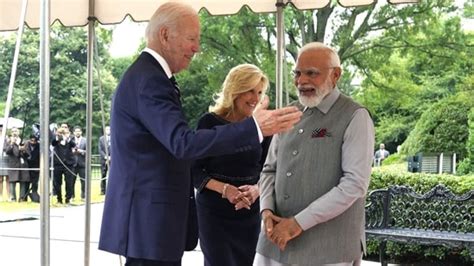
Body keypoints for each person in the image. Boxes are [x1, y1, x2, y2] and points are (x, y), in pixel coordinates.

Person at [98, 2, 302, 266]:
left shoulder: (151, 76)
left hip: (151, 221)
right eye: (191, 39)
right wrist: (254, 127)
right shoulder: (150, 80)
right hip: (148, 221)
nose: (196, 47)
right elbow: (182, 143)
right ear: (165, 35)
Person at [254, 42, 375, 266]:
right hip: (274, 244)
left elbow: (355, 184)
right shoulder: (289, 113)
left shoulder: (355, 116)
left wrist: (298, 223)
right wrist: (267, 211)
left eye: (311, 73)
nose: (301, 81)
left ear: (336, 75)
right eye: (297, 73)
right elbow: (270, 169)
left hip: (328, 249)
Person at [192, 64, 272, 266]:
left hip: (249, 212)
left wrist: (257, 190)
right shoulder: (209, 122)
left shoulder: (263, 127)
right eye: (250, 90)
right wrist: (225, 190)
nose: (256, 98)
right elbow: (194, 170)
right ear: (235, 89)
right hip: (214, 214)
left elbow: (270, 169)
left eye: (260, 92)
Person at [4, 127, 30, 202]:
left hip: (22, 164)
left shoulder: (24, 141)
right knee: (12, 181)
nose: (14, 133)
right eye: (13, 131)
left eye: (16, 131)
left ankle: (22, 198)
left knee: (23, 181)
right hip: (13, 164)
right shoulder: (8, 141)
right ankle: (13, 198)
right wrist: (12, 143)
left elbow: (28, 154)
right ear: (11, 133)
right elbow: (7, 151)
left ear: (19, 132)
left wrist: (23, 150)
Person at [51, 126, 76, 204]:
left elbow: (73, 145)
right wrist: (58, 137)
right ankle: (59, 199)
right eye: (61, 133)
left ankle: (68, 199)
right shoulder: (56, 140)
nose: (62, 135)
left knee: (69, 182)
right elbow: (53, 143)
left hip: (68, 164)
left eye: (64, 133)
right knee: (57, 183)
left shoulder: (70, 140)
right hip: (58, 164)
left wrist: (67, 138)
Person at [24, 134, 40, 202]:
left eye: (34, 141)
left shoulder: (39, 146)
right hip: (27, 167)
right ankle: (25, 198)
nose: (33, 142)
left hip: (36, 167)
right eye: (32, 140)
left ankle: (34, 197)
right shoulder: (26, 145)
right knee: (26, 183)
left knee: (35, 184)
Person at [72, 126, 86, 200]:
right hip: (73, 164)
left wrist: (81, 151)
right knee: (71, 181)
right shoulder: (70, 140)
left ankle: (83, 196)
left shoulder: (85, 140)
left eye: (79, 131)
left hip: (82, 164)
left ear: (81, 132)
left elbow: (88, 151)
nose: (77, 132)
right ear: (74, 132)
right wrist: (72, 151)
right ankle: (72, 196)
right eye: (76, 131)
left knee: (83, 181)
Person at [98, 125, 110, 195]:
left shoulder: (113, 138)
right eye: (107, 129)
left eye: (109, 129)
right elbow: (100, 149)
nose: (108, 131)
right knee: (103, 175)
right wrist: (105, 156)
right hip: (103, 160)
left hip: (112, 159)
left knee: (112, 175)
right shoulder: (101, 139)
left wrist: (111, 157)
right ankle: (103, 190)